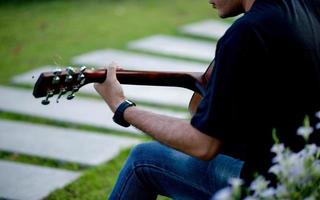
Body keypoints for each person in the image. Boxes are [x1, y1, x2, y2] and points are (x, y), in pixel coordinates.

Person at [94, 0, 320, 199]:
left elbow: (203, 144)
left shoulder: (247, 32)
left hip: (273, 188)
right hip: (310, 176)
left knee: (142, 159)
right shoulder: (307, 6)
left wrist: (121, 106)